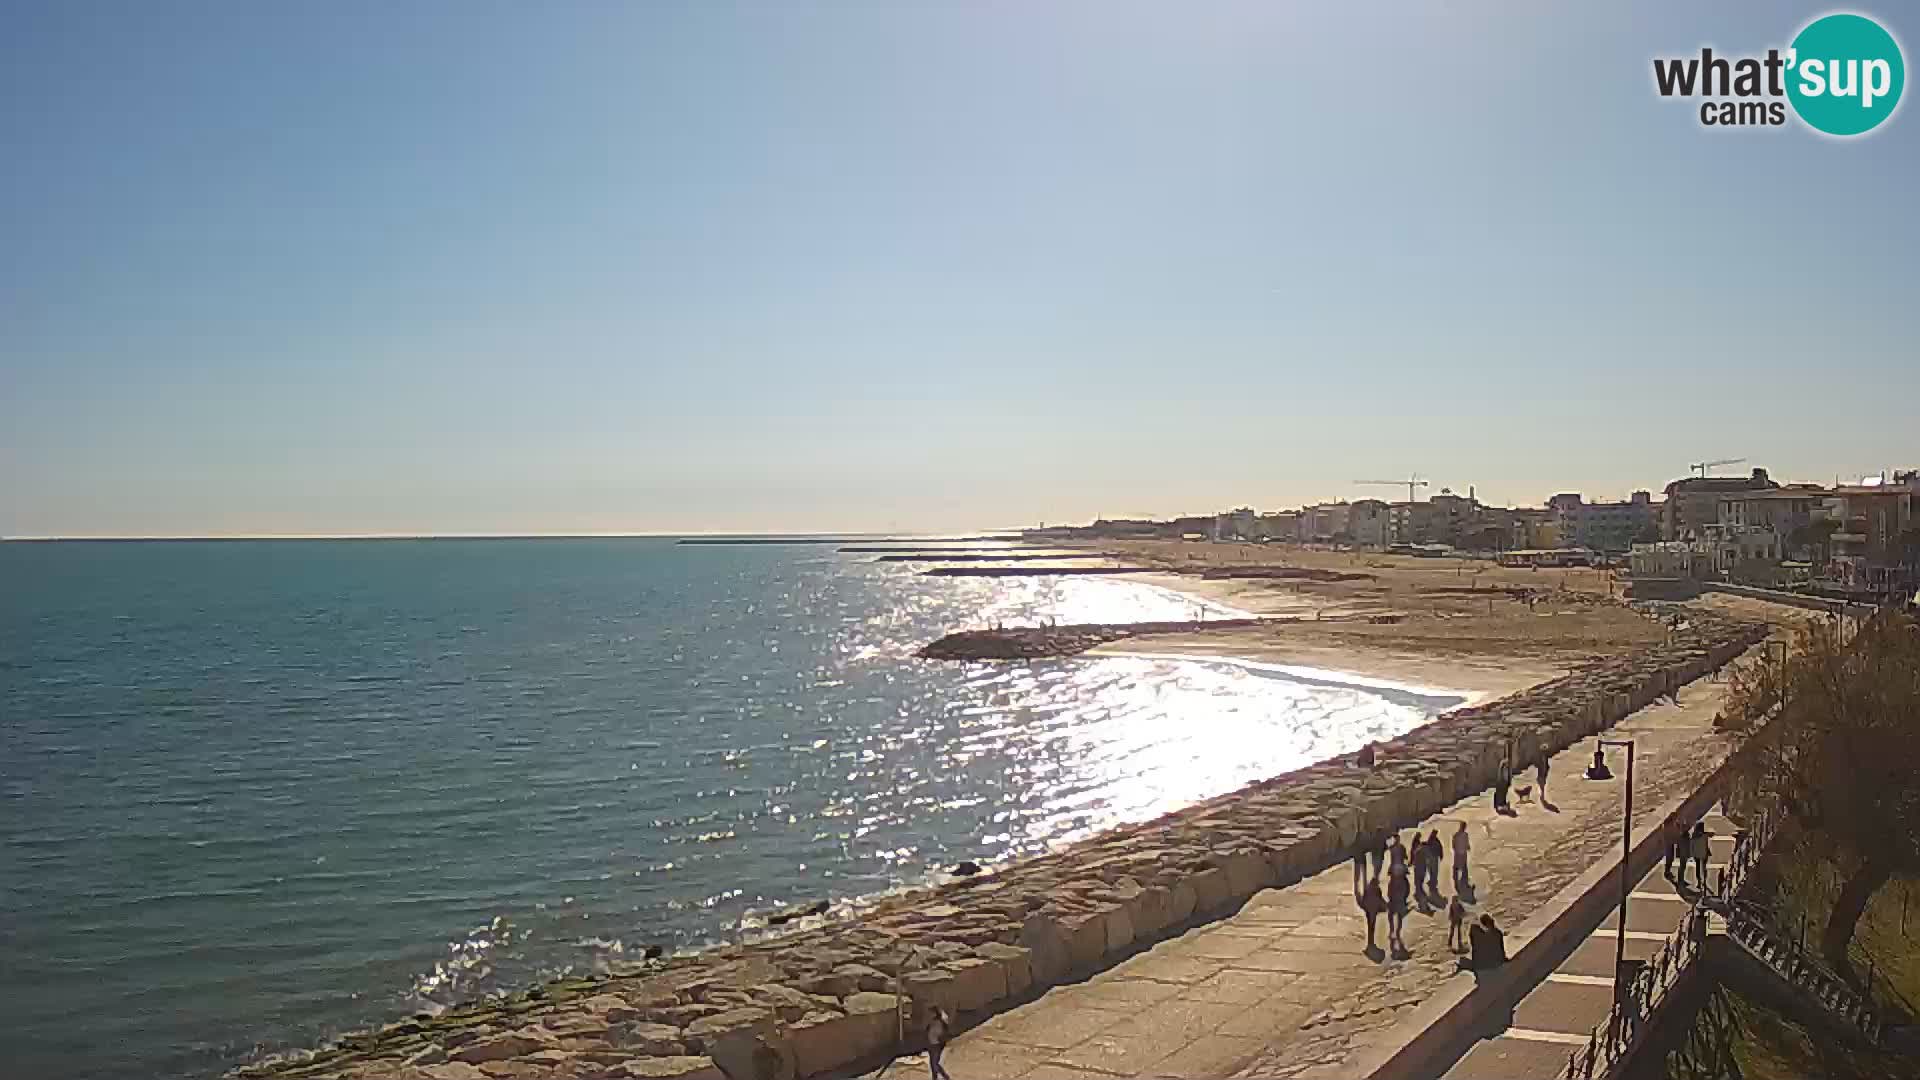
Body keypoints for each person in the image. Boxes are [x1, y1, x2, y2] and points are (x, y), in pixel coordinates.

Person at [1386, 862, 1411, 950]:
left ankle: (1393, 930)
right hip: (1400, 902)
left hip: (1394, 901)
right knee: (1399, 918)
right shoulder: (1404, 881)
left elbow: (1389, 892)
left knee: (1391, 916)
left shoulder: (1392, 881)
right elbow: (1407, 891)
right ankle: (1396, 932)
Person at [926, 1005, 953, 1080]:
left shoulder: (938, 1022)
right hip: (932, 1044)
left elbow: (939, 1033)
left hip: (936, 1045)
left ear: (935, 1013)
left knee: (934, 1064)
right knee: (933, 1064)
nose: (929, 1014)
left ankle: (945, 1077)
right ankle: (935, 1078)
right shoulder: (934, 1021)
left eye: (931, 1012)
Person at [1359, 877, 1387, 950]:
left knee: (1370, 927)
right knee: (1372, 927)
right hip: (1372, 910)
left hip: (1369, 910)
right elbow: (1380, 899)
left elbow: (1363, 900)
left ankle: (1370, 942)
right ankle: (1370, 942)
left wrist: (1364, 907)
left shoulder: (1368, 889)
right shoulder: (1377, 890)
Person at [1691, 822, 1711, 887]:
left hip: (1697, 854)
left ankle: (1699, 882)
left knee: (1697, 868)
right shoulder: (1705, 835)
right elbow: (1706, 844)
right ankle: (1704, 880)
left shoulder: (1694, 835)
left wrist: (1692, 853)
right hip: (1704, 853)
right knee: (1704, 868)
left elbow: (1692, 845)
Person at [1452, 822, 1472, 889]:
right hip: (1461, 853)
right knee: (1462, 867)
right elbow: (1466, 844)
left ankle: (1459, 881)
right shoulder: (1462, 835)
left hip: (1460, 853)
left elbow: (1453, 845)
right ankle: (1461, 881)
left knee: (1460, 868)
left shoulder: (1457, 835)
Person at [1426, 831, 1445, 898]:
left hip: (1433, 858)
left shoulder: (1433, 840)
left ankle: (1432, 881)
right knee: (1433, 871)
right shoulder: (1432, 841)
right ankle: (1432, 881)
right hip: (1432, 858)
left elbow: (1440, 848)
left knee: (1433, 871)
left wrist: (1441, 855)